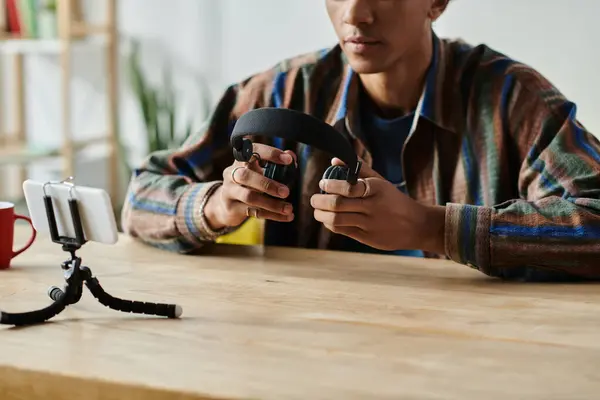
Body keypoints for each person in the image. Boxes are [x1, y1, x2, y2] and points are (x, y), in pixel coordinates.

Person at [121, 0, 600, 281]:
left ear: (436, 2)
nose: (355, 14)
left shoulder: (509, 97)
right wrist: (218, 206)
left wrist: (430, 227)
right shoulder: (285, 91)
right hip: (312, 355)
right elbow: (141, 196)